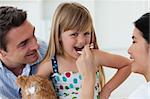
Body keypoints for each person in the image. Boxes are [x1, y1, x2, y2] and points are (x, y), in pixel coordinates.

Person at [36, 2, 131, 99]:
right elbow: (35, 87)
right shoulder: (51, 64)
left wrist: (107, 90)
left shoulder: (93, 56)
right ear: (59, 35)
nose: (82, 41)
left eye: (86, 33)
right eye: (74, 34)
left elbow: (127, 65)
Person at [77, 12, 149, 99]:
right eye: (74, 34)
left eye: (134, 41)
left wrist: (88, 78)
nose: (129, 50)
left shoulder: (142, 95)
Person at [0, 6, 47, 98]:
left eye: (33, 34)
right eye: (24, 43)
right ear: (2, 52)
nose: (36, 46)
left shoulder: (48, 52)